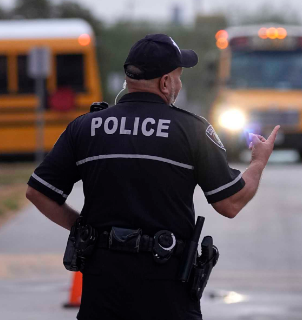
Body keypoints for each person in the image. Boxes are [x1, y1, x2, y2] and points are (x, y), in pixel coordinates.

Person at [25, 34, 280, 320]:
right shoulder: (191, 130)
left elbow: (38, 192)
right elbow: (231, 203)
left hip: (103, 286)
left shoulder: (86, 127)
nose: (179, 84)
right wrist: (258, 161)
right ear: (165, 82)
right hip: (166, 287)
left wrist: (83, 229)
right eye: (178, 76)